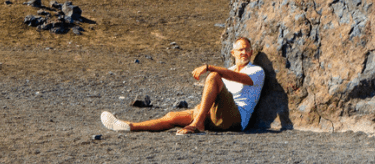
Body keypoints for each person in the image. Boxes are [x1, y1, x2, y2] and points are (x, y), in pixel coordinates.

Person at [100, 36, 265, 135]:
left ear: (251, 52)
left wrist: (209, 67)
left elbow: (238, 78)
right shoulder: (227, 70)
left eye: (248, 50)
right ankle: (128, 126)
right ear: (233, 53)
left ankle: (197, 124)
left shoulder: (257, 71)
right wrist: (202, 108)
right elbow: (217, 93)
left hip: (236, 120)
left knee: (213, 76)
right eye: (241, 50)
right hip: (216, 115)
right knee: (172, 116)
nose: (244, 53)